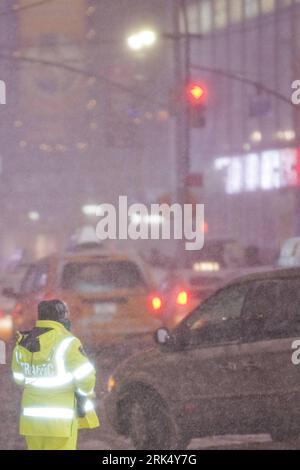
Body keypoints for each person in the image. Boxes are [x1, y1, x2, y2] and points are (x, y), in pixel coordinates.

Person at [11, 299, 99, 450]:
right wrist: (84, 395)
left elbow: (19, 378)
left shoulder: (23, 343)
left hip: (32, 423)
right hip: (60, 423)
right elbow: (86, 377)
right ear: (62, 317)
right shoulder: (67, 342)